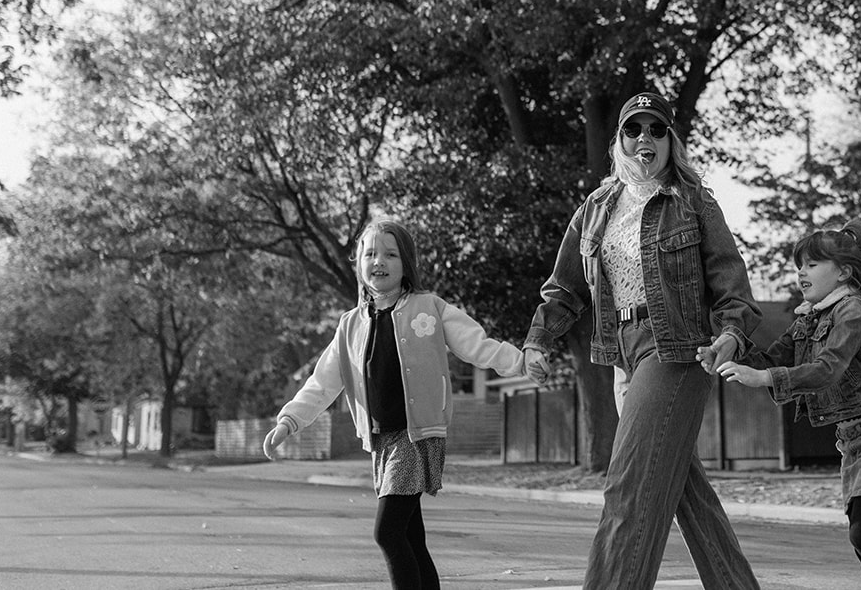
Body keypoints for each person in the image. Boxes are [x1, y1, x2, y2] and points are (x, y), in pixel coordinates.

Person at [522, 90, 762, 590]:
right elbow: (565, 287)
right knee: (679, 488)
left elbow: (732, 285)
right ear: (620, 141)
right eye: (634, 129)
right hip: (622, 354)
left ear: (671, 140)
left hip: (676, 349)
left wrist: (730, 337)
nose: (645, 138)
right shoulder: (597, 207)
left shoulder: (693, 201)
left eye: (656, 129)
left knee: (630, 485)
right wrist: (539, 339)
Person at [263, 217, 527, 590]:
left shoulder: (429, 308)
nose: (379, 261)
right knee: (411, 537)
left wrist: (519, 361)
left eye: (390, 253)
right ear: (359, 264)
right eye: (369, 253)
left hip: (417, 435)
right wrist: (289, 421)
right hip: (381, 441)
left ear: (406, 265)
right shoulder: (350, 325)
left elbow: (476, 344)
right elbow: (323, 383)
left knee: (387, 533)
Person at [716, 219, 861, 590]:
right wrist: (728, 348)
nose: (800, 272)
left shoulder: (852, 311)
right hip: (852, 440)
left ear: (843, 272)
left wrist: (765, 379)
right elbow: (771, 360)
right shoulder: (809, 319)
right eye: (799, 265)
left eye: (811, 264)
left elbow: (828, 369)